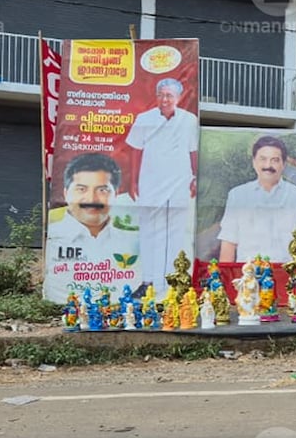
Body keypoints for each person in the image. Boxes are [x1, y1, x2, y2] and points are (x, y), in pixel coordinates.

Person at [126, 77, 200, 295]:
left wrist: (195, 177)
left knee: (176, 232)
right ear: (156, 96)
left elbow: (193, 151)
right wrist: (132, 181)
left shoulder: (189, 120)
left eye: (169, 95)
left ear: (178, 98)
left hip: (180, 182)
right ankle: (148, 281)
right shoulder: (144, 119)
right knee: (149, 231)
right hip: (151, 182)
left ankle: (173, 281)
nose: (165, 99)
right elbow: (135, 151)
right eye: (162, 94)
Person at [44, 153, 138, 301]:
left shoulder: (132, 244)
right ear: (65, 193)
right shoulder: (54, 237)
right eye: (81, 189)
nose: (92, 199)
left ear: (116, 194)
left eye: (102, 190)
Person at [218, 135, 296, 264]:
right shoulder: (237, 195)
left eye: (275, 160)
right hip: (248, 276)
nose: (268, 165)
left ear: (283, 164)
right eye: (263, 159)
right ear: (254, 162)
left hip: (289, 275)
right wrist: (225, 278)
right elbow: (228, 241)